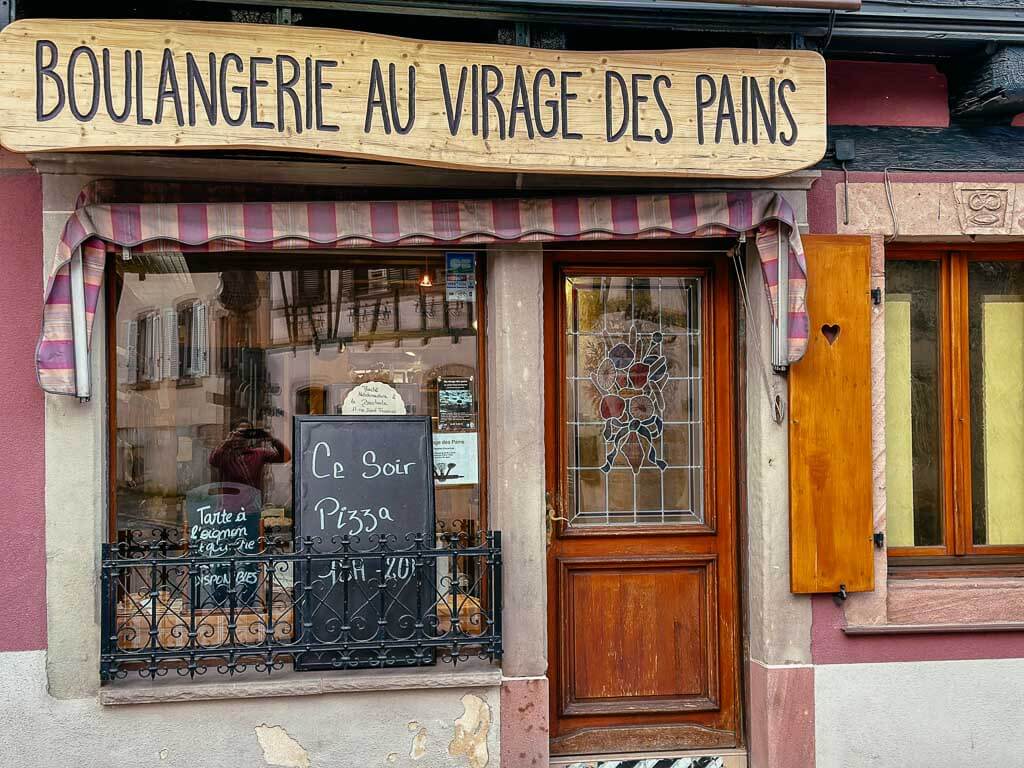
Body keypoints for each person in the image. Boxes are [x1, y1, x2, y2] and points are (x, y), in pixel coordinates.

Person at [208, 419, 291, 490]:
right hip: (230, 505)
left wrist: (272, 439)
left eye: (247, 433)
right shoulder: (225, 454)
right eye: (240, 432)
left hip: (252, 506)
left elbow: (286, 457)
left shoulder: (259, 453)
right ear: (233, 433)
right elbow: (213, 460)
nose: (243, 436)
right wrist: (227, 442)